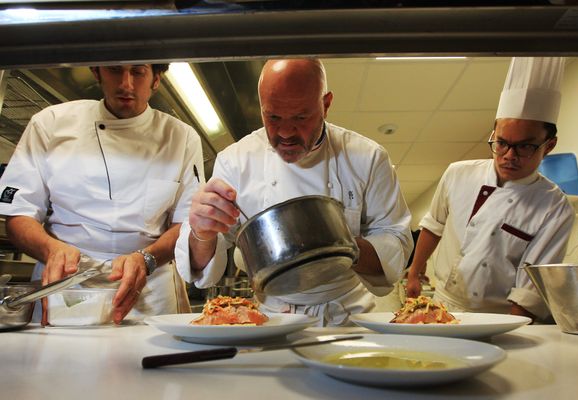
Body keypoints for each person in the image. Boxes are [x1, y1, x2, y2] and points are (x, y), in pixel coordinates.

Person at [175, 58, 413, 326]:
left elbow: (396, 240)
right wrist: (202, 233)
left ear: (326, 104)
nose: (286, 132)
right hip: (269, 318)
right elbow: (202, 265)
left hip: (348, 317)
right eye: (273, 117)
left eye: (301, 117)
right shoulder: (235, 160)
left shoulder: (367, 157)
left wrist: (334, 246)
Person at [0, 63, 204, 324]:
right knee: (54, 363)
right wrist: (51, 250)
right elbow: (18, 215)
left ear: (156, 79)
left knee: (150, 361)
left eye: (138, 72)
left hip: (149, 292)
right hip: (66, 287)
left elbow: (186, 223)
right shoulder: (50, 124)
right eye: (115, 70)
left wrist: (147, 259)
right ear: (97, 72)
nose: (126, 84)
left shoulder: (182, 138)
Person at [406, 57, 575, 321]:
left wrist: (510, 331)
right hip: (443, 304)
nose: (509, 155)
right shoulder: (458, 173)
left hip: (500, 315)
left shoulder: (555, 207)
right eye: (501, 143)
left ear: (549, 145)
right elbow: (433, 225)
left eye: (525, 146)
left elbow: (530, 285)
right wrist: (415, 271)